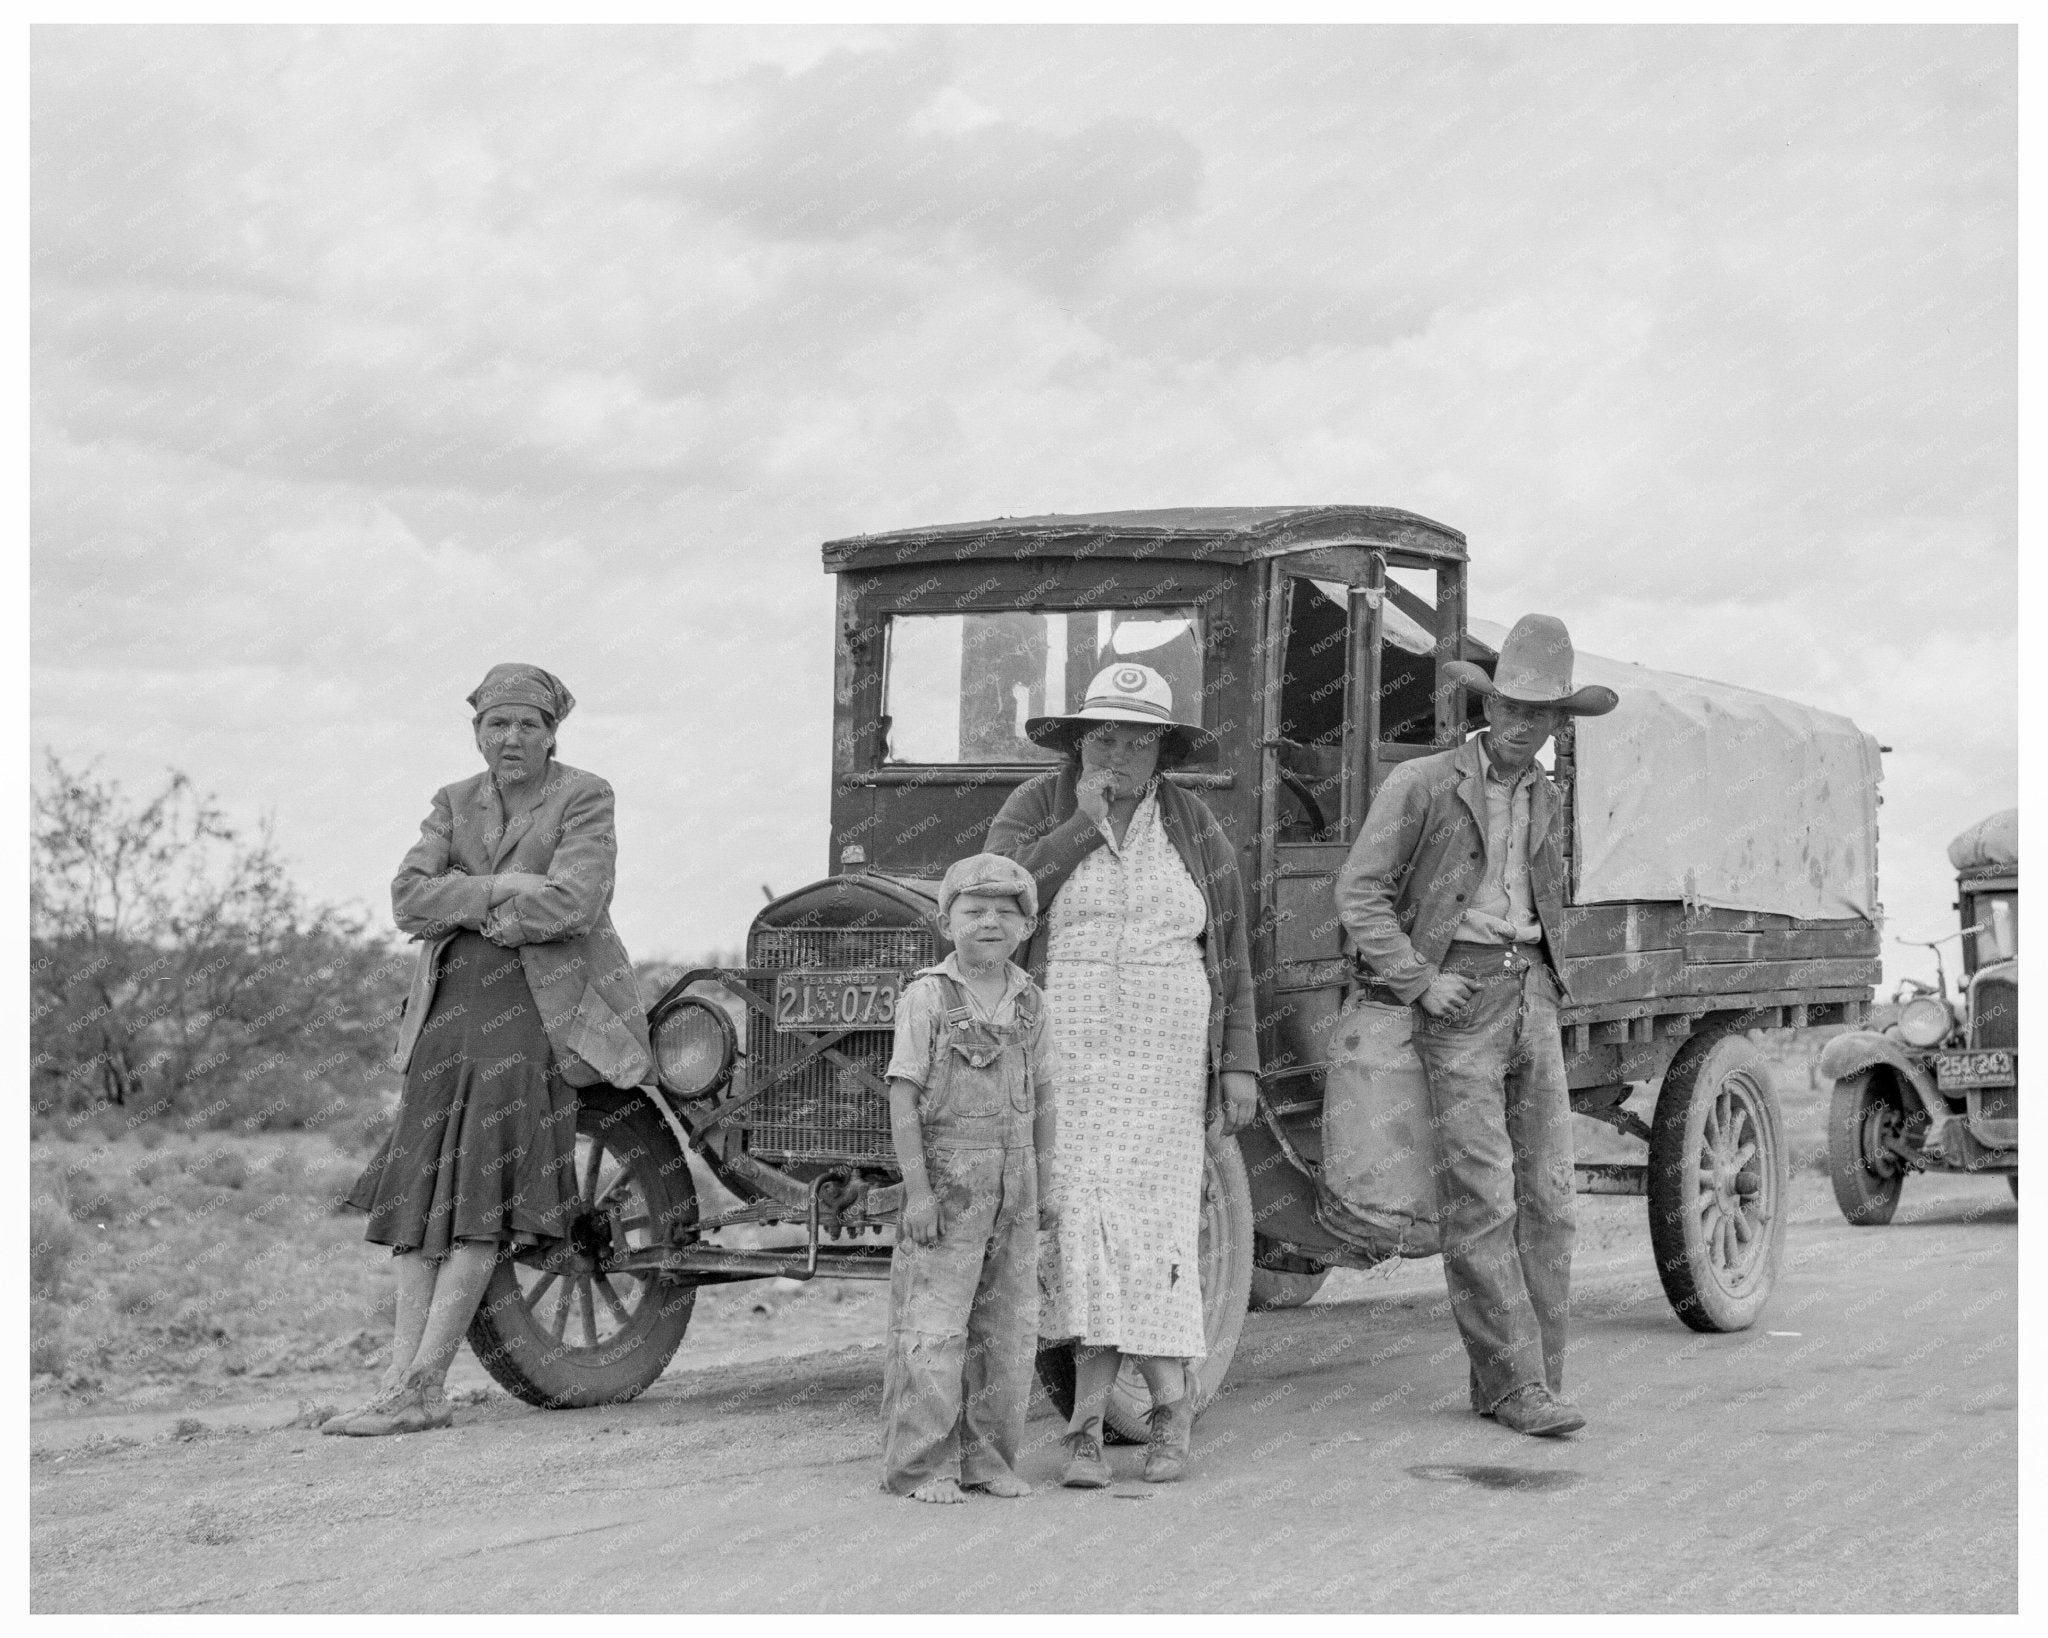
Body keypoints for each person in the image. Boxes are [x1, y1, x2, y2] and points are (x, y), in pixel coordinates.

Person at [329, 663, 654, 1437]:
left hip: (532, 1017)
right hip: (445, 1017)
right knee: (420, 1204)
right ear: (476, 731)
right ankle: (398, 1386)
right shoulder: (451, 801)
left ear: (552, 733)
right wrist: (507, 889)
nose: (511, 738)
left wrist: (469, 898)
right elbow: (409, 898)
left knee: (481, 1208)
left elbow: (576, 901)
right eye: (496, 725)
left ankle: (423, 1388)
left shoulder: (585, 795)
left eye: (528, 725)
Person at [1333, 614, 1618, 1438]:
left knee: (1551, 1200)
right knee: (1483, 1198)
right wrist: (1421, 980)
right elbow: (1360, 893)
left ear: (1562, 721)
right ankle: (1512, 1386)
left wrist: (1553, 987)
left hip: (1531, 994)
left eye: (1545, 714)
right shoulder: (1422, 783)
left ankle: (1538, 1378)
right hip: (1458, 1000)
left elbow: (1545, 903)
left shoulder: (1546, 794)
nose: (1527, 726)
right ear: (1489, 706)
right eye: (1515, 708)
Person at [987, 661, 1259, 1487]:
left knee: (1159, 1233)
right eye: (1103, 736)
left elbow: (1233, 948)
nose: (1119, 753)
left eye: (1139, 740)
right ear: (1079, 740)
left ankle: (1170, 1419)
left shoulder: (1192, 821)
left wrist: (1238, 1062)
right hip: (1068, 1057)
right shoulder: (1036, 805)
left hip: (1167, 1058)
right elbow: (995, 902)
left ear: (1162, 751)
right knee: (1077, 1227)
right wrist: (1079, 824)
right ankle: (1086, 1430)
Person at [879, 853, 1059, 1503]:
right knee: (934, 1327)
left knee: (1007, 1329)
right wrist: (919, 1193)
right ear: (944, 920)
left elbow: (1042, 1098)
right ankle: (925, 1466)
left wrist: (1046, 1186)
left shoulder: (1032, 1001)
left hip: (1015, 1185)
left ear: (1028, 925)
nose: (990, 923)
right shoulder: (927, 997)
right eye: (974, 910)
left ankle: (988, 1460)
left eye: (1006, 913)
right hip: (949, 1187)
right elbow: (903, 1100)